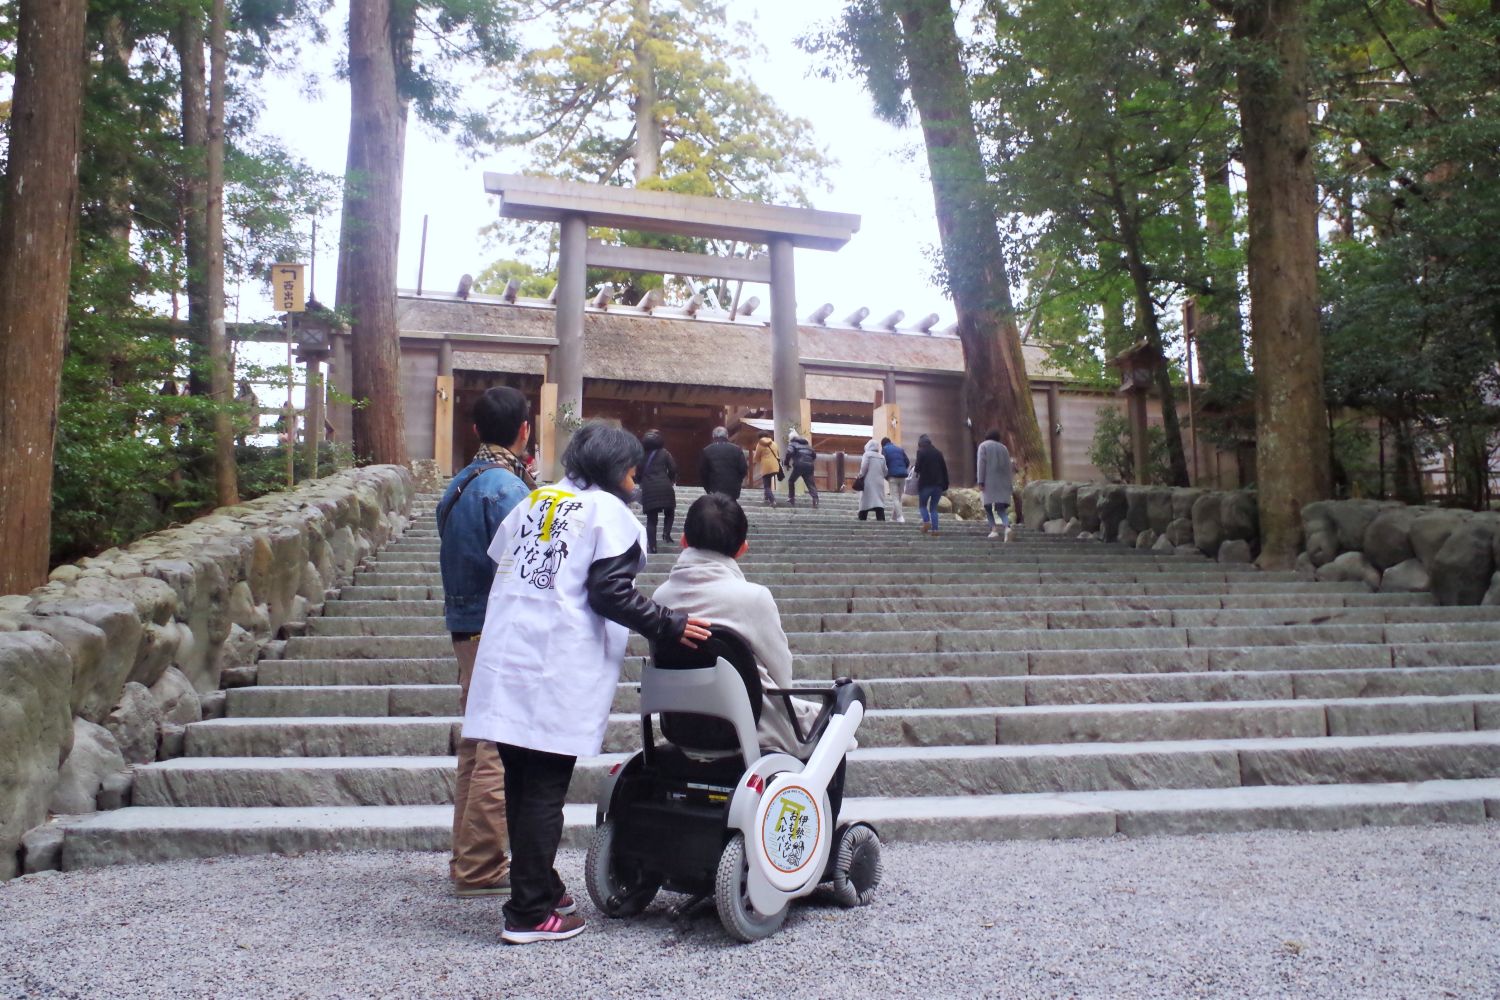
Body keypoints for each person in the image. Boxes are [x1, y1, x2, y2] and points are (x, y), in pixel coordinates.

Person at [464, 421, 711, 945]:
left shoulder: (535, 501)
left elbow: (501, 564)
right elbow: (609, 592)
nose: (635, 480)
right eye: (632, 471)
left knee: (520, 782)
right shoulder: (609, 514)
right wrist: (669, 624)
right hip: (555, 663)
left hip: (508, 656)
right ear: (622, 471)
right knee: (544, 789)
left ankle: (541, 884)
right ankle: (529, 911)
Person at [652, 494, 848, 813]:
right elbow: (783, 677)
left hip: (682, 727)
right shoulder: (753, 599)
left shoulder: (661, 598)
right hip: (751, 729)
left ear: (684, 540)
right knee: (841, 714)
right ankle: (819, 837)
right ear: (743, 547)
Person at [436, 386, 535, 900]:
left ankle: (468, 860)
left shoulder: (459, 484)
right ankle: (480, 866)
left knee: (477, 746)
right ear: (525, 429)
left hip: (464, 623)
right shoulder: (508, 489)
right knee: (498, 746)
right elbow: (528, 565)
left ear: (475, 430)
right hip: (496, 626)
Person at [636, 429, 678, 554]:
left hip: (649, 488)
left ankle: (652, 547)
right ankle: (666, 533)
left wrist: (641, 482)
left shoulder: (641, 455)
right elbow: (673, 468)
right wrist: (670, 480)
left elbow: (637, 473)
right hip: (664, 485)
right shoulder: (665, 453)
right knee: (669, 511)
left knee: (651, 519)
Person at [977, 429, 1014, 542]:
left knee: (988, 507)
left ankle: (994, 530)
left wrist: (981, 481)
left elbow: (981, 464)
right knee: (1000, 508)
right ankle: (1007, 527)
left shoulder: (983, 446)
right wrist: (1009, 484)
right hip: (1003, 482)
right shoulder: (1004, 448)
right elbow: (1009, 467)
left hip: (989, 481)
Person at [913, 433, 950, 535]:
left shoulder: (921, 452)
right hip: (938, 485)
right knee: (933, 508)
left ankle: (926, 522)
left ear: (920, 444)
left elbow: (917, 469)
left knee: (922, 506)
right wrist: (945, 484)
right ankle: (935, 529)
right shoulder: (938, 453)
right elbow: (944, 469)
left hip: (925, 484)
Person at [698, 426, 748, 498]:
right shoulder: (737, 449)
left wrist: (708, 488)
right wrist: (737, 481)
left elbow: (703, 471)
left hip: (714, 488)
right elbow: (743, 469)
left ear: (713, 436)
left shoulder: (707, 450)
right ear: (727, 436)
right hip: (733, 488)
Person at [783, 431, 819, 508]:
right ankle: (815, 499)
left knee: (791, 480)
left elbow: (789, 453)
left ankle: (791, 498)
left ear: (791, 438)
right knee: (810, 483)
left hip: (799, 465)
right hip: (809, 466)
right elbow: (814, 455)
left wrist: (786, 463)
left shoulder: (792, 444)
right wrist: (809, 461)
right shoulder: (807, 445)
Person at [856, 438, 888, 521]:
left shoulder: (867, 455)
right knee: (879, 503)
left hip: (868, 482)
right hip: (879, 483)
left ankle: (862, 518)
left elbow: (863, 468)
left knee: (865, 502)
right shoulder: (882, 457)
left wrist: (860, 475)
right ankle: (881, 519)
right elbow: (885, 471)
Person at [881, 436, 910, 523]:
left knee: (895, 498)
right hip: (903, 475)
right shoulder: (900, 449)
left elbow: (883, 463)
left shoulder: (885, 449)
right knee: (899, 498)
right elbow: (907, 462)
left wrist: (886, 475)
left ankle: (900, 517)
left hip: (893, 476)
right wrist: (902, 469)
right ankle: (894, 518)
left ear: (883, 445)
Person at [752, 431, 781, 506]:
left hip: (766, 466)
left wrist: (757, 460)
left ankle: (772, 500)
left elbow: (756, 456)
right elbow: (777, 453)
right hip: (775, 465)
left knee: (766, 485)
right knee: (768, 481)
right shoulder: (774, 443)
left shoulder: (760, 444)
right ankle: (766, 497)